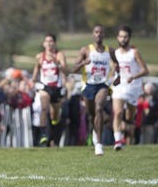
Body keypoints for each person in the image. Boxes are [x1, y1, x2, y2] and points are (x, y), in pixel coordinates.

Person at [72, 25, 120, 156]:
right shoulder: (86, 50)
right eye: (96, 32)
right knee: (92, 115)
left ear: (104, 35)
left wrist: (118, 77)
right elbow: (73, 69)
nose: (99, 34)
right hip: (88, 85)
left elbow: (117, 64)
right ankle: (95, 131)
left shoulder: (109, 51)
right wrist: (83, 63)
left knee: (99, 108)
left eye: (101, 32)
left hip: (103, 85)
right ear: (93, 34)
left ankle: (99, 145)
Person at [111, 25, 149, 150]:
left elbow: (145, 70)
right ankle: (117, 141)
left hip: (132, 87)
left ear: (129, 38)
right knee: (117, 112)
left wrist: (134, 76)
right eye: (121, 36)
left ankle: (129, 138)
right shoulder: (115, 53)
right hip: (119, 87)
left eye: (125, 37)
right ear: (117, 37)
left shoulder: (134, 52)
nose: (123, 39)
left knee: (129, 117)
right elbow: (113, 70)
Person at [30, 33, 68, 147]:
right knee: (44, 108)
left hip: (56, 88)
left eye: (51, 41)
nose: (49, 43)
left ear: (54, 43)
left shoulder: (60, 55)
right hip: (44, 87)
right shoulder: (39, 57)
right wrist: (32, 81)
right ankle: (43, 136)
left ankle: (53, 132)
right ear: (43, 44)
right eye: (46, 41)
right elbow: (36, 70)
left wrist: (56, 62)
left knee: (54, 115)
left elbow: (66, 72)